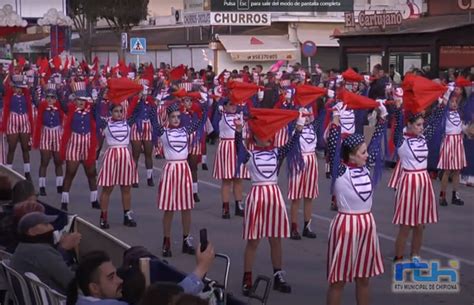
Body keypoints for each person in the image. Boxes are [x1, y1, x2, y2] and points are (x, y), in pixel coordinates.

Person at [235, 109, 305, 295]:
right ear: (254, 136)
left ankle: (278, 275)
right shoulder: (249, 154)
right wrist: (238, 130)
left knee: (276, 239)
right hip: (257, 196)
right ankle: (247, 278)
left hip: (274, 197)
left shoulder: (277, 152)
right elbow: (238, 148)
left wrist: (299, 126)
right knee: (253, 241)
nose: (265, 137)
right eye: (260, 134)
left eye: (268, 133)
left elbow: (291, 145)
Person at [325, 101, 387, 305]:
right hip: (346, 226)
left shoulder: (366, 166)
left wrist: (383, 116)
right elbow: (333, 146)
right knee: (339, 281)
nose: (367, 155)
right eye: (362, 152)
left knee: (364, 279)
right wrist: (336, 119)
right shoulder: (340, 170)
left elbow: (377, 141)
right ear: (351, 155)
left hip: (367, 225)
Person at [392, 78, 448, 262]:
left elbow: (435, 121)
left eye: (421, 125)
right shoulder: (402, 140)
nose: (421, 127)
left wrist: (443, 100)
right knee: (406, 225)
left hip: (423, 181)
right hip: (408, 182)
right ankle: (399, 257)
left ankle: (415, 256)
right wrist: (399, 106)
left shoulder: (423, 137)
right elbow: (398, 124)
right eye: (417, 125)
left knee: (420, 224)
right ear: (409, 125)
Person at [157, 101, 207, 257]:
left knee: (186, 207)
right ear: (168, 118)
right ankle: (166, 241)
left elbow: (201, 121)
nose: (176, 119)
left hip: (184, 169)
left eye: (178, 116)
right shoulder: (163, 131)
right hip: (171, 169)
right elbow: (152, 119)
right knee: (170, 208)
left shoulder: (186, 130)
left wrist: (204, 107)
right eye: (173, 117)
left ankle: (186, 240)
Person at [11, 212, 78, 294]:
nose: (52, 227)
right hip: (56, 298)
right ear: (32, 231)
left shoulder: (23, 246)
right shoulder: (41, 251)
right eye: (46, 224)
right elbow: (70, 281)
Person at [97, 103, 139, 229]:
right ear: (111, 112)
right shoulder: (106, 123)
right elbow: (95, 111)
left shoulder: (128, 123)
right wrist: (100, 98)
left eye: (121, 111)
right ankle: (103, 217)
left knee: (126, 188)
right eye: (116, 111)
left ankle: (127, 215)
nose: (119, 113)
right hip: (111, 156)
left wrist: (140, 96)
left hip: (125, 155)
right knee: (107, 188)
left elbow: (137, 110)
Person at [59, 84, 99, 211]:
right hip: (74, 144)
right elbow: (62, 102)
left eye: (83, 100)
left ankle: (94, 200)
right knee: (70, 172)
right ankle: (64, 201)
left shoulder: (91, 111)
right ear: (74, 100)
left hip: (87, 145)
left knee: (91, 173)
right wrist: (61, 90)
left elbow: (100, 104)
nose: (81, 102)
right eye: (78, 100)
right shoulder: (70, 110)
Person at [212, 98, 248, 218]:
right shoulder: (222, 116)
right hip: (227, 147)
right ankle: (225, 207)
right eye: (230, 104)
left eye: (235, 104)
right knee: (227, 180)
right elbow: (215, 120)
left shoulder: (240, 116)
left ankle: (239, 205)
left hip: (239, 146)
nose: (233, 106)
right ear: (225, 106)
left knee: (238, 179)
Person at [438, 83, 467, 206]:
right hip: (449, 142)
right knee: (447, 171)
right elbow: (443, 102)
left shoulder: (459, 113)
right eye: (452, 102)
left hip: (458, 142)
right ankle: (442, 196)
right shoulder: (445, 113)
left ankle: (455, 195)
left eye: (456, 102)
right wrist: (448, 92)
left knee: (457, 171)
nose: (454, 103)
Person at [32, 83, 64, 196]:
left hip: (57, 134)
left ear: (56, 99)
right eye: (48, 97)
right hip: (45, 134)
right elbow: (34, 99)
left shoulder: (60, 108)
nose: (50, 99)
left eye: (52, 97)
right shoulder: (41, 107)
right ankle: (42, 186)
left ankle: (60, 186)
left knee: (58, 161)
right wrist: (33, 85)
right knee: (44, 161)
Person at [1, 75, 33, 180]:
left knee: (25, 148)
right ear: (13, 87)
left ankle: (27, 173)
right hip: (13, 121)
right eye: (17, 87)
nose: (18, 89)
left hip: (24, 121)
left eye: (20, 88)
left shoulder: (26, 96)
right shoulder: (9, 96)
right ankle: (8, 172)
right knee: (12, 148)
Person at [128, 82, 158, 188]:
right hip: (137, 126)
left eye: (146, 91)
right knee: (135, 154)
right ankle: (133, 178)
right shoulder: (134, 101)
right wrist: (137, 99)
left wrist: (156, 132)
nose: (145, 94)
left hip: (147, 126)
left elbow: (154, 117)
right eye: (143, 92)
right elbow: (129, 113)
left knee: (148, 153)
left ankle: (149, 177)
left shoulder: (151, 103)